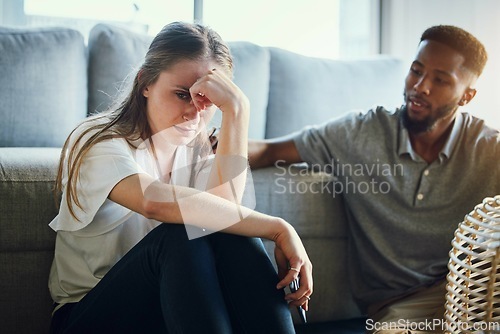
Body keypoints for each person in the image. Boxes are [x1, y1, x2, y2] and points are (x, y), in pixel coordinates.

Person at [48, 21, 312, 334]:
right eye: (182, 94)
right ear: (145, 82)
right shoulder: (99, 140)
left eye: (208, 100)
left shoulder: (197, 151)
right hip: (90, 317)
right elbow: (153, 203)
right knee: (179, 235)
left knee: (227, 231)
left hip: (165, 315)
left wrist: (238, 110)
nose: (194, 113)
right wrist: (278, 228)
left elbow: (223, 219)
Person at [249, 25, 499, 333]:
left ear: (467, 96)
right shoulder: (361, 132)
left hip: (471, 298)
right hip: (400, 310)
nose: (420, 87)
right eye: (416, 71)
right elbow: (268, 151)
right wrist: (210, 142)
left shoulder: (488, 149)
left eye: (440, 80)